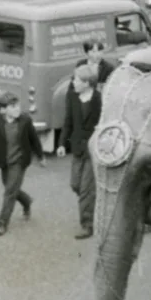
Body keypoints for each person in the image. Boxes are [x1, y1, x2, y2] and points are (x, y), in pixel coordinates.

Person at [0, 92, 45, 236]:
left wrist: (41, 156)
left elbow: (34, 139)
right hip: (5, 162)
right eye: (13, 107)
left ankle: (2, 223)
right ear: (3, 110)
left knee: (9, 191)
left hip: (19, 161)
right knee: (10, 188)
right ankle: (26, 201)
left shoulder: (25, 121)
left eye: (18, 105)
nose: (17, 109)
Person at [56, 64, 100, 239]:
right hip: (77, 148)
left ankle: (87, 225)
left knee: (85, 189)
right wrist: (61, 144)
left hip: (93, 150)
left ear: (87, 83)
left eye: (76, 79)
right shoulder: (72, 96)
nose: (73, 82)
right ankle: (93, 201)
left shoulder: (98, 99)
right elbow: (68, 121)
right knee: (75, 184)